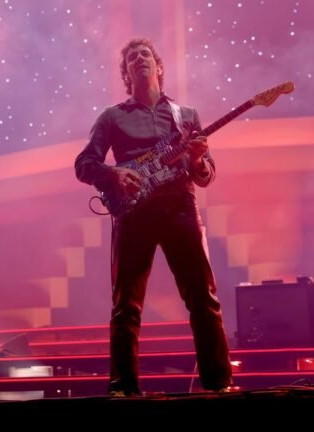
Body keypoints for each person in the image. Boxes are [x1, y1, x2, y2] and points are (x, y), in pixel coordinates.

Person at [74, 38, 232, 396]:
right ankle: (123, 389)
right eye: (131, 58)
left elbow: (205, 175)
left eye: (145, 55)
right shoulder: (111, 117)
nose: (139, 59)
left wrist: (194, 159)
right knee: (126, 305)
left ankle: (218, 385)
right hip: (133, 213)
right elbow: (84, 164)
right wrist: (113, 174)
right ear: (126, 74)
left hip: (179, 206)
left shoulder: (186, 115)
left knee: (203, 298)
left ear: (159, 67)